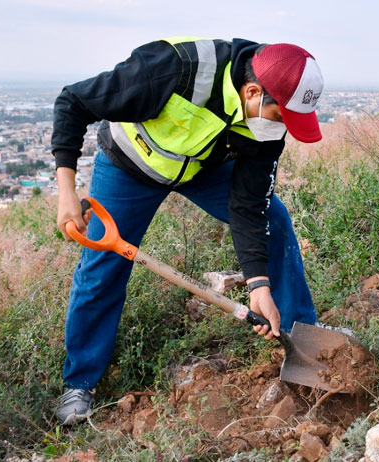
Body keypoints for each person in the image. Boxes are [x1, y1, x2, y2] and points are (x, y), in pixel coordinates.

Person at [50, 37, 325, 425]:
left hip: (200, 169)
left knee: (274, 219)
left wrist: (258, 284)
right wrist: (66, 190)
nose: (281, 127)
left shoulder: (266, 119)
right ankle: (79, 382)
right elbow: (72, 102)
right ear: (252, 92)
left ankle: (303, 339)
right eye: (281, 116)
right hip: (130, 167)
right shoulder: (172, 68)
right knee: (101, 270)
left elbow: (249, 207)